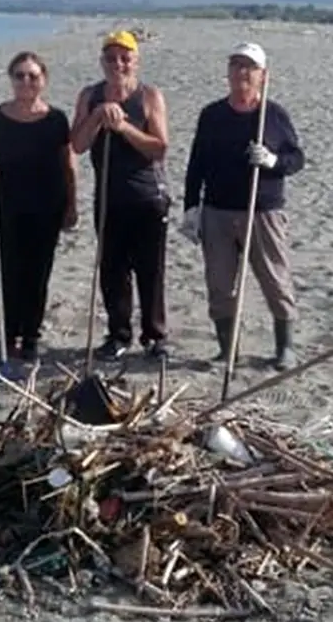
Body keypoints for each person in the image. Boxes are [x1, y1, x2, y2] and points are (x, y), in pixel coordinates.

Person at [181, 42, 306, 371]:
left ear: (263, 75)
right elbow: (197, 163)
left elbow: (297, 159)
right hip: (218, 210)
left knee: (275, 279)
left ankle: (285, 348)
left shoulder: (274, 115)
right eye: (236, 65)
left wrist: (273, 160)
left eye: (249, 67)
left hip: (263, 210)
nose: (241, 73)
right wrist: (191, 207)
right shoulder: (212, 115)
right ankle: (227, 350)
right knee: (220, 283)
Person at [69, 30, 171, 361]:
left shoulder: (149, 96)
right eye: (111, 58)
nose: (118, 64)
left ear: (136, 61)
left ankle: (155, 336)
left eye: (125, 57)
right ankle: (118, 334)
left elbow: (159, 149)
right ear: (102, 62)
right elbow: (78, 144)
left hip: (147, 197)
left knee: (150, 270)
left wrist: (125, 128)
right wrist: (98, 117)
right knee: (113, 271)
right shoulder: (89, 95)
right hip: (108, 199)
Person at [0, 51, 77, 362]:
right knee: (9, 273)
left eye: (33, 76)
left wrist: (71, 204)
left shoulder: (56, 119)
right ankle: (8, 335)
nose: (26, 81)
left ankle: (30, 336)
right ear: (11, 79)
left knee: (37, 274)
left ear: (43, 80)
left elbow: (67, 164)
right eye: (20, 75)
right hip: (7, 205)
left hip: (47, 206)